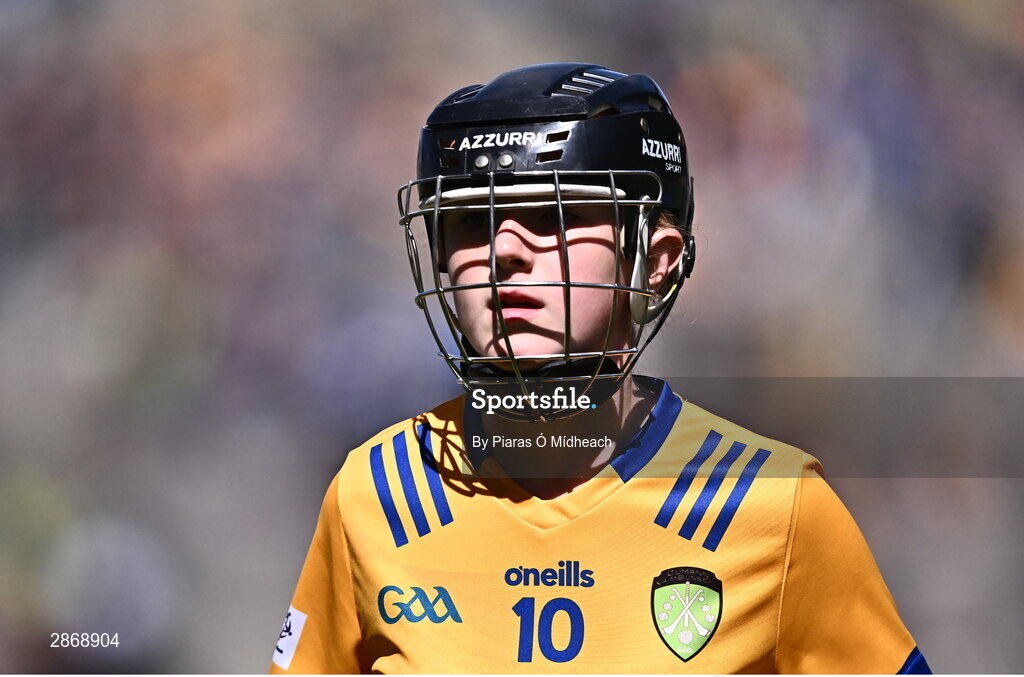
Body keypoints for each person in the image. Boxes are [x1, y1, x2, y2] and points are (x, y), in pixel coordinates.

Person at [270, 62, 929, 674]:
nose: (504, 250)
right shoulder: (373, 495)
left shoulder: (776, 508)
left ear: (657, 257)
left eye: (553, 216)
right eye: (471, 219)